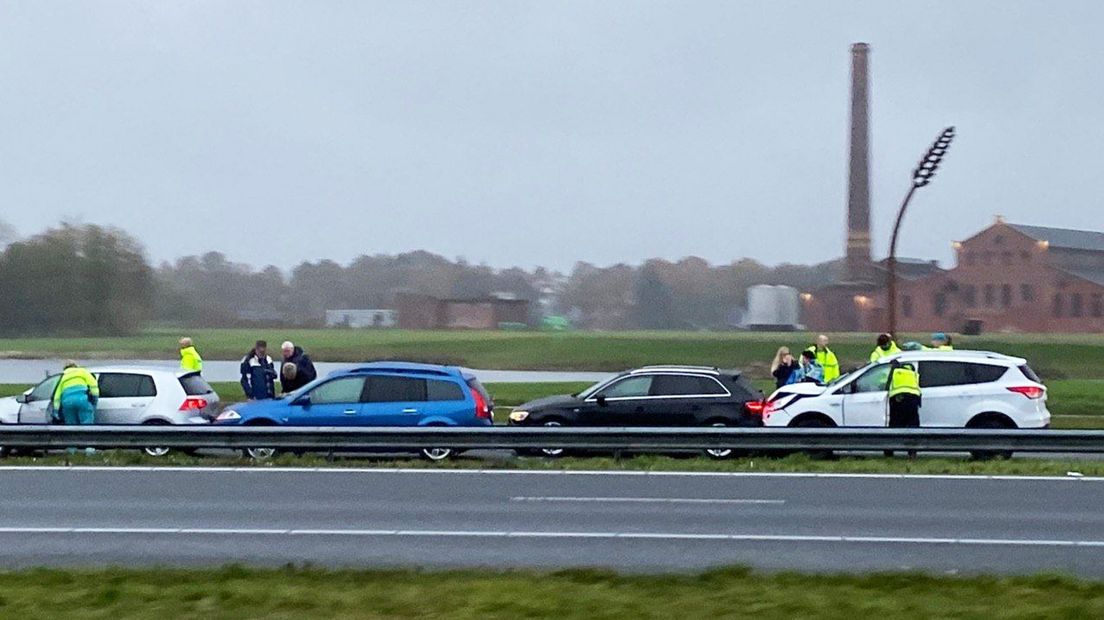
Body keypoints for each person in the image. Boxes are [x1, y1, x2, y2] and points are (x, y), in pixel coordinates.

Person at [885, 358, 921, 459]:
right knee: (913, 426)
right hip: (913, 400)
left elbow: (887, 384)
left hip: (899, 400)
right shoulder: (912, 372)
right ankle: (912, 452)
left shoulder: (895, 372)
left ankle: (889, 452)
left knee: (894, 425)